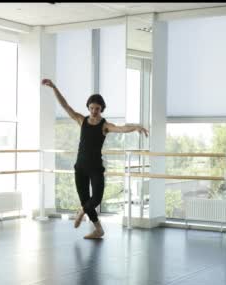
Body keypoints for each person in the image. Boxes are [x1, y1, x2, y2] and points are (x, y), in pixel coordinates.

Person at [42, 78, 149, 239]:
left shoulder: (105, 126)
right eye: (91, 108)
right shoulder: (81, 120)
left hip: (95, 168)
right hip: (80, 168)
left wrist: (135, 127)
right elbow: (65, 106)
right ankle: (98, 229)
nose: (93, 111)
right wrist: (54, 87)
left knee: (96, 198)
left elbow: (121, 128)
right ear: (88, 107)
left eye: (97, 109)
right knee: (85, 198)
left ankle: (81, 212)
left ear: (101, 109)